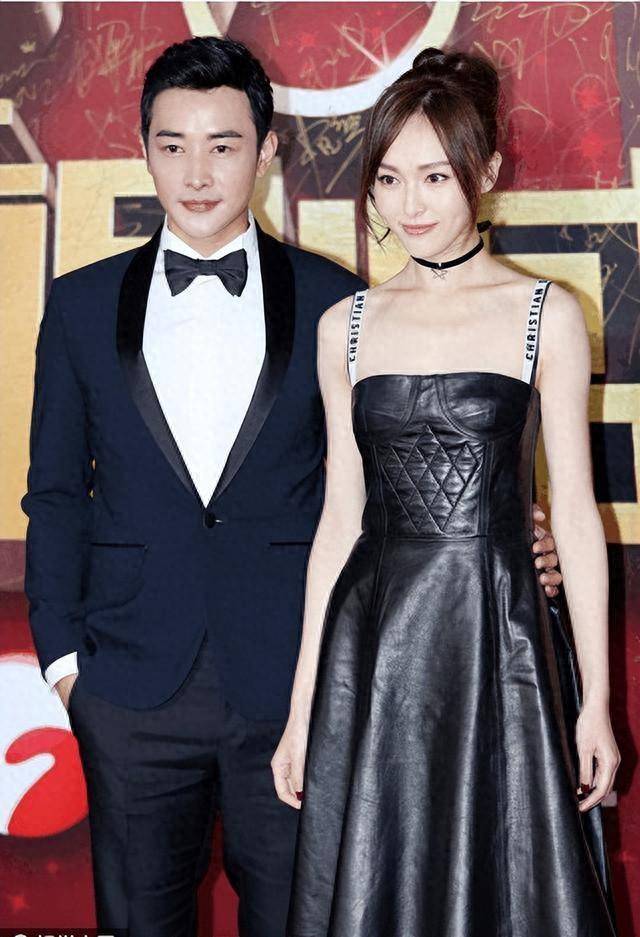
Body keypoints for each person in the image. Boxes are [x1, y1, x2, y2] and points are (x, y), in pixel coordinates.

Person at [21, 36, 561, 937]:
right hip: (128, 689)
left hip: (295, 689)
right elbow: (51, 494)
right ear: (142, 148)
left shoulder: (337, 304)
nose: (197, 173)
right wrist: (67, 668)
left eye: (224, 144)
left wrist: (517, 528)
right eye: (173, 145)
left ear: (267, 150)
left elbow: (390, 484)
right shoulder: (79, 305)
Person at [279, 47, 620, 937]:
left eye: (435, 176)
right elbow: (339, 521)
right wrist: (303, 704)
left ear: (487, 172)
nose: (410, 204)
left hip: (501, 637)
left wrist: (596, 701)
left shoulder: (546, 313)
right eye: (389, 178)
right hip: (375, 643)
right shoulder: (344, 326)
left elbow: (575, 513)